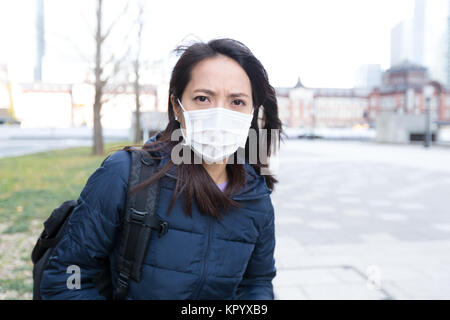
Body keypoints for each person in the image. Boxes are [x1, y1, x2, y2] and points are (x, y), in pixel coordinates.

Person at [39, 38, 283, 300]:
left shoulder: (255, 196)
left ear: (251, 113)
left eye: (237, 102)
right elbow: (68, 276)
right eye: (203, 98)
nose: (219, 114)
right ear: (177, 107)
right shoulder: (124, 175)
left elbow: (257, 284)